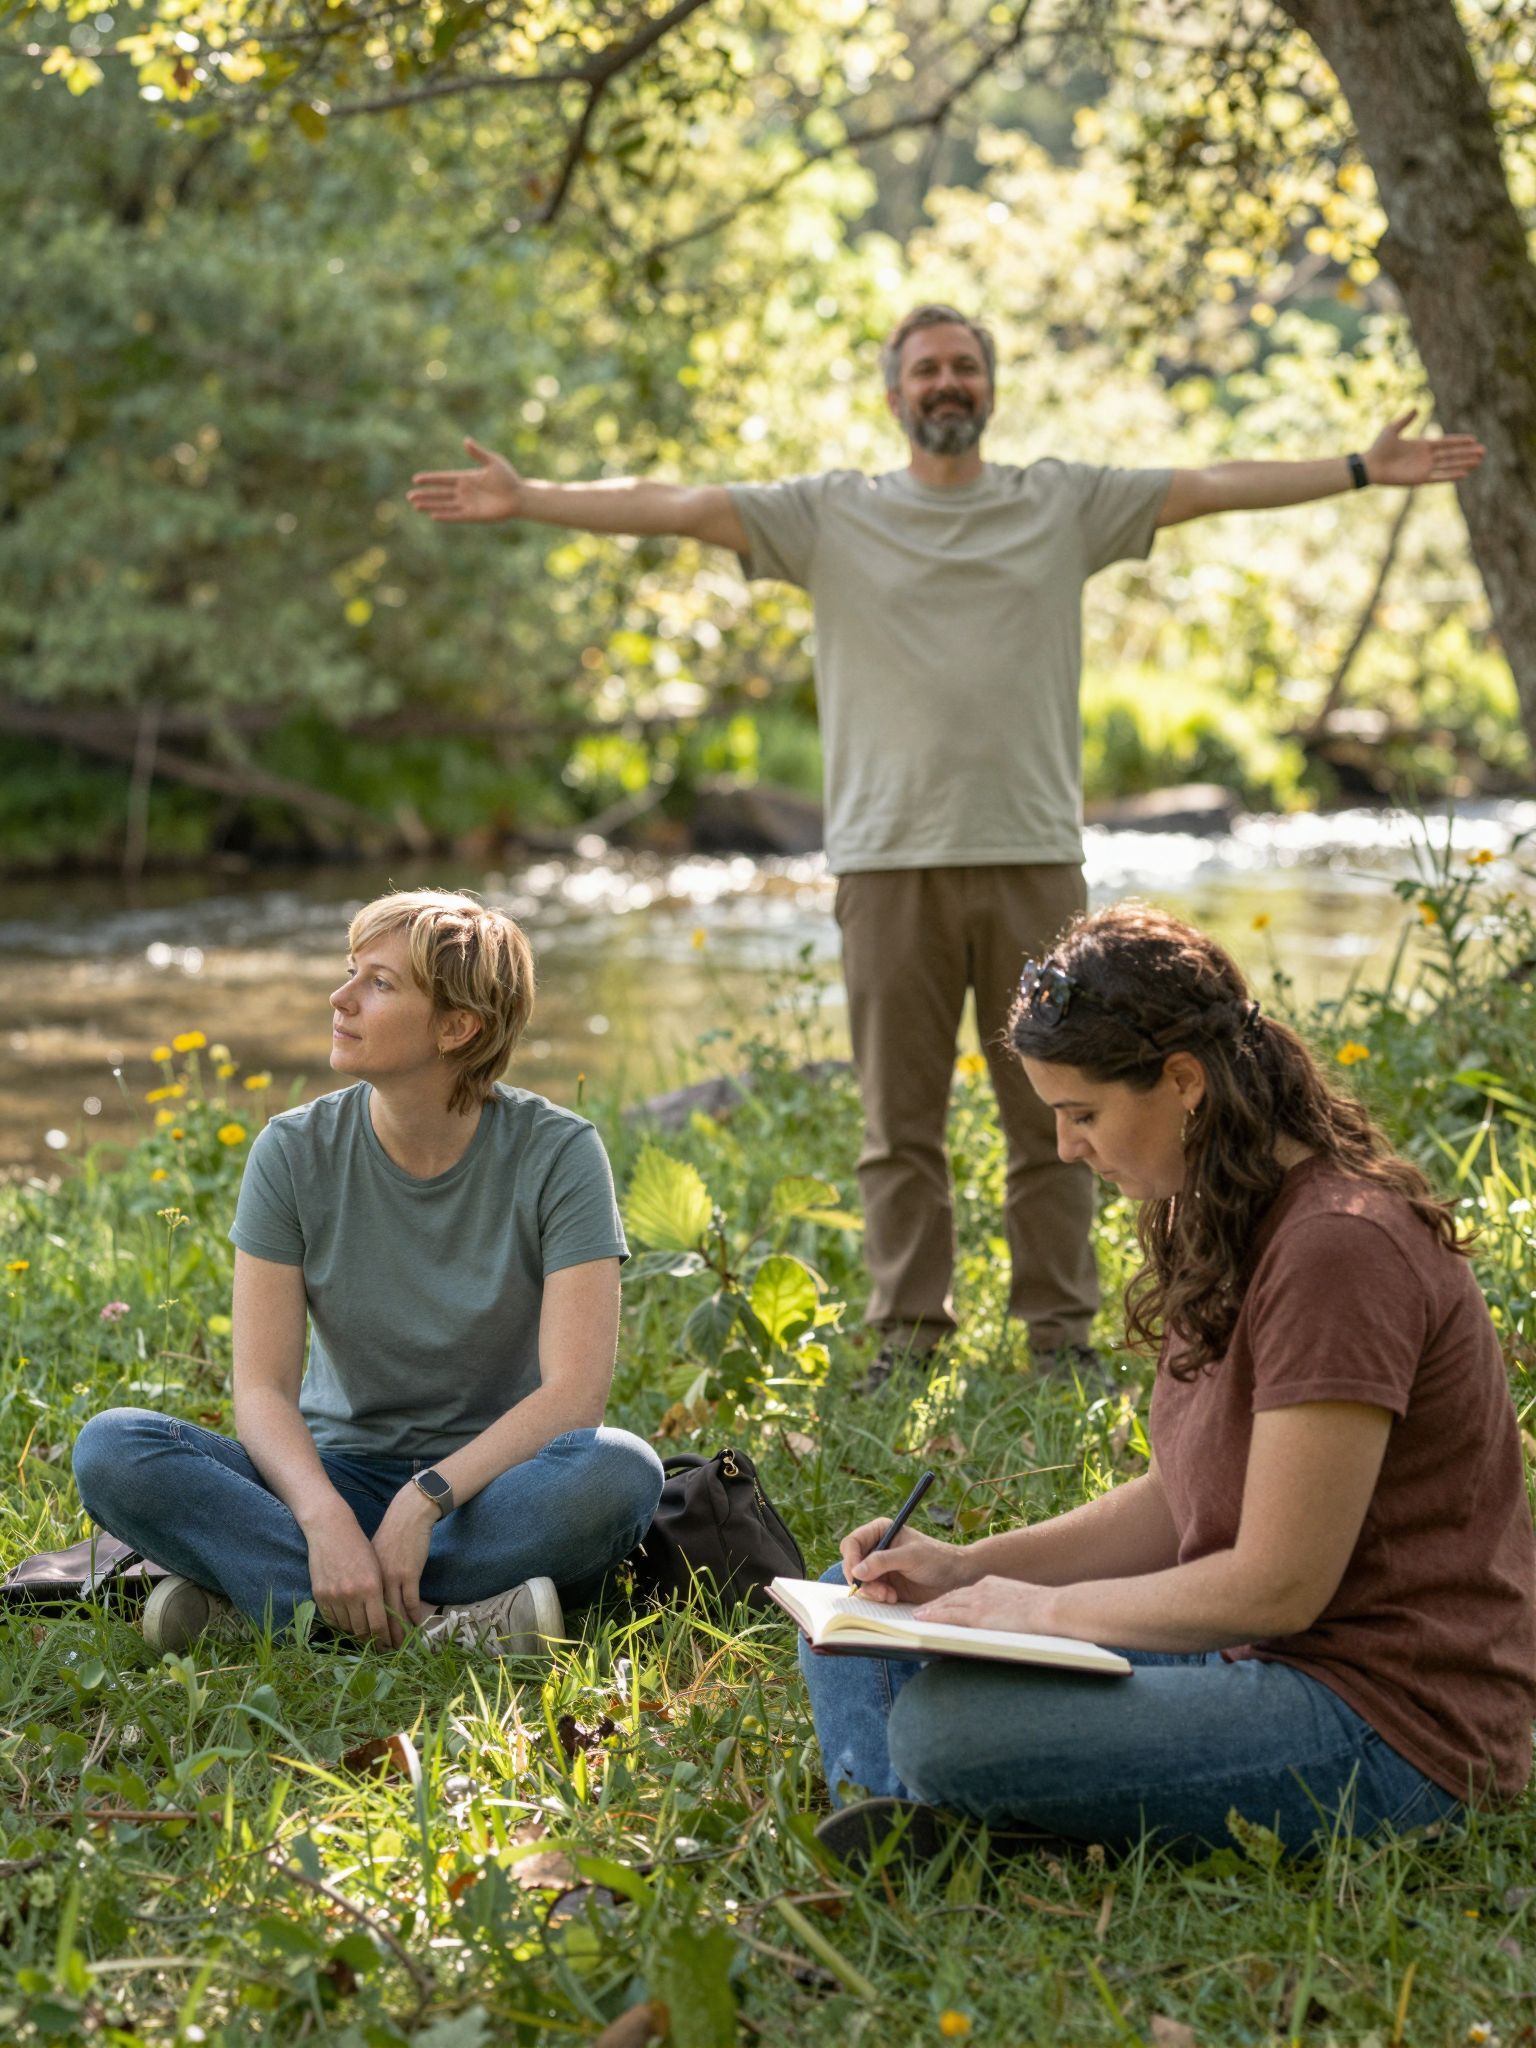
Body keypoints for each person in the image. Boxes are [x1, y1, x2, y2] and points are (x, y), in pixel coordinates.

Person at [407, 306, 1485, 1389]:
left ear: (990, 387)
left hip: (1032, 858)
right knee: (899, 1124)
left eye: (965, 365)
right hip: (886, 866)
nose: (946, 382)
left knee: (1060, 1116)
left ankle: (1061, 1337)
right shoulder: (830, 515)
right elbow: (680, 507)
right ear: (895, 393)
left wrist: (1358, 467)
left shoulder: (1061, 501)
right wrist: (528, 497)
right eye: (926, 368)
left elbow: (1208, 482)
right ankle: (909, 1338)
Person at [797, 903, 1536, 1858]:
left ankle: (931, 1810)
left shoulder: (1340, 1250)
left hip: (1385, 1721)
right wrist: (973, 1569)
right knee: (858, 1612)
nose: (1068, 1149)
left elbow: (1279, 1586)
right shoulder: (1223, 1209)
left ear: (1183, 1081)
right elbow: (1185, 1495)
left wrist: (1041, 1610)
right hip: (1246, 1652)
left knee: (948, 1728)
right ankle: (929, 1819)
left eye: (1083, 1114)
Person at [72, 888, 664, 1656]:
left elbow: (574, 1397)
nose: (339, 997)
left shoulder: (561, 1154)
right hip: (330, 1475)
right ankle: (454, 1619)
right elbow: (260, 1389)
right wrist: (324, 1521)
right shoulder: (291, 1152)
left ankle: (271, 1605)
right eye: (351, 971)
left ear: (457, 1027)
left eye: (378, 983)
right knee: (114, 1448)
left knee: (619, 1472)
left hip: (491, 1487)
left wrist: (424, 1502)